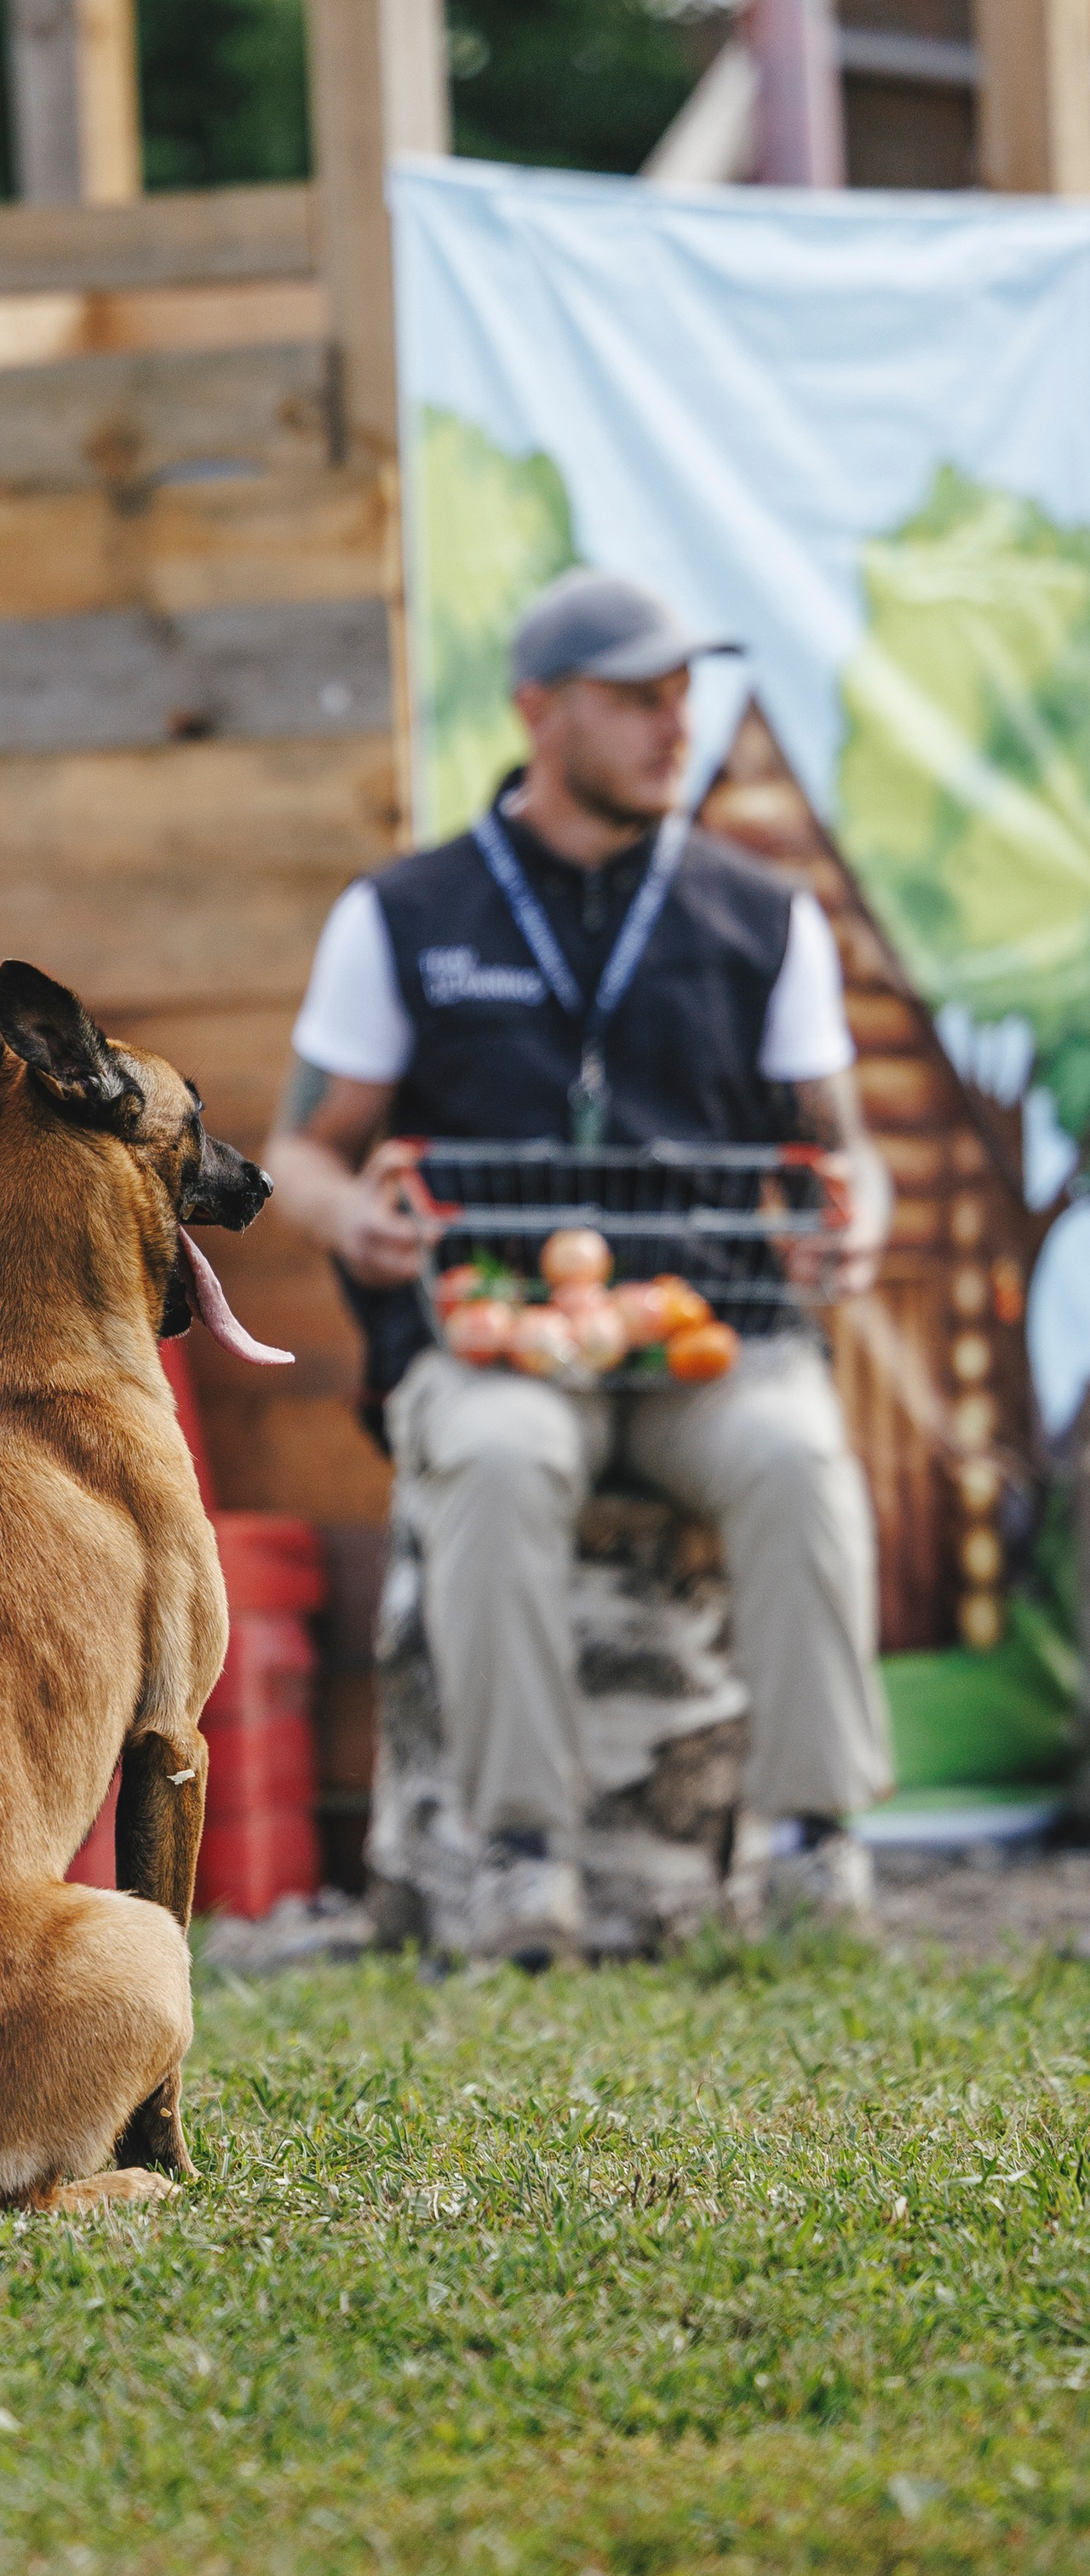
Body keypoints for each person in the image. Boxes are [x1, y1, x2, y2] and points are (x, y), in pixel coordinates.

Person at [266, 570, 893, 1961]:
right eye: (637, 698)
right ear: (540, 710)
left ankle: (813, 1850)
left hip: (706, 1339)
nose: (678, 726)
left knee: (799, 1454)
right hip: (494, 1338)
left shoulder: (762, 914)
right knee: (491, 1453)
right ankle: (518, 1861)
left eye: (685, 695)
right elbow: (304, 1154)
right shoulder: (405, 912)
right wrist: (348, 1218)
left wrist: (858, 1218)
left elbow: (848, 1158)